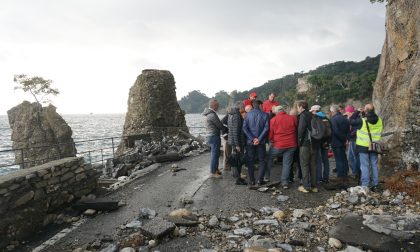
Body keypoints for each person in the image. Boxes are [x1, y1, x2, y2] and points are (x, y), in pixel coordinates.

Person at [349, 104, 383, 191]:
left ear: (366, 110)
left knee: (364, 166)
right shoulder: (379, 120)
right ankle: (375, 184)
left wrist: (356, 112)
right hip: (374, 146)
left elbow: (351, 120)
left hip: (363, 146)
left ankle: (365, 185)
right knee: (374, 165)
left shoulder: (362, 121)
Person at [266, 105, 297, 188]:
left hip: (279, 145)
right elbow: (296, 129)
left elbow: (271, 134)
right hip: (291, 144)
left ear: (276, 112)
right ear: (284, 111)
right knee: (287, 164)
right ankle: (285, 183)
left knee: (269, 157)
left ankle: (266, 177)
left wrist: (271, 140)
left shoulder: (273, 120)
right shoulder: (292, 118)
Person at [242, 100, 269, 186]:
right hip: (261, 142)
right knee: (262, 160)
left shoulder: (247, 115)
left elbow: (244, 128)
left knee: (250, 161)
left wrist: (252, 138)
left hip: (250, 142)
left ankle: (252, 180)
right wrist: (259, 139)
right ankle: (259, 180)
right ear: (260, 105)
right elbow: (266, 128)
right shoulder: (265, 114)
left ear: (253, 106)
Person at [297, 100, 319, 193]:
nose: (297, 109)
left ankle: (306, 186)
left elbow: (301, 131)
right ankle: (314, 187)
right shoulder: (313, 115)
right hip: (314, 143)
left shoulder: (303, 115)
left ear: (301, 107)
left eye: (298, 107)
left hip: (305, 144)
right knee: (313, 166)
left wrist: (299, 141)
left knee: (304, 165)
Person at [202, 99, 225, 178]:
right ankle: (213, 172)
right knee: (215, 154)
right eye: (217, 105)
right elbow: (220, 125)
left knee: (216, 153)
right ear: (213, 105)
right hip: (214, 136)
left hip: (210, 136)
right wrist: (228, 129)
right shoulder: (212, 115)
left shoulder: (209, 114)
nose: (218, 107)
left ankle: (216, 169)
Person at [330, 104, 350, 188]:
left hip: (337, 142)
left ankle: (341, 178)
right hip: (343, 141)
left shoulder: (334, 119)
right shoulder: (344, 118)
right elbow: (348, 129)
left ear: (332, 111)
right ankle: (345, 175)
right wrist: (345, 139)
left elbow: (336, 131)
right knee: (344, 158)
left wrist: (342, 139)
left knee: (338, 160)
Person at [228, 102, 247, 185]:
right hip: (237, 142)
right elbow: (235, 131)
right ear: (240, 107)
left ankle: (237, 177)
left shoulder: (231, 114)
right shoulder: (237, 116)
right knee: (238, 161)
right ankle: (238, 179)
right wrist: (237, 145)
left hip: (233, 141)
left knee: (236, 160)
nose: (244, 109)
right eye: (243, 107)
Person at [345, 105, 361, 182]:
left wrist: (350, 135)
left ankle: (357, 173)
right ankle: (355, 173)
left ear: (351, 112)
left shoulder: (356, 118)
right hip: (352, 140)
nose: (346, 114)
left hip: (355, 140)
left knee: (354, 157)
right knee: (351, 158)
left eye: (347, 112)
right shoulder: (351, 118)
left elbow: (356, 130)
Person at [315, 110, 331, 183]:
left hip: (318, 142)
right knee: (325, 160)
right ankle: (326, 177)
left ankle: (319, 178)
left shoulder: (317, 120)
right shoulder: (327, 120)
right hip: (326, 143)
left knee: (318, 160)